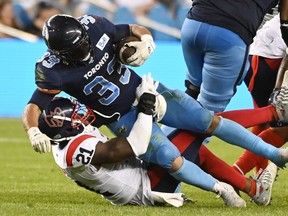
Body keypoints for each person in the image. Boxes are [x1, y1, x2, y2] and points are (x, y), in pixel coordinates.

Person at [22, 14, 288, 207]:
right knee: (171, 157)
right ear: (58, 53)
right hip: (122, 118)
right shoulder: (51, 69)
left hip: (146, 90)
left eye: (82, 43)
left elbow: (132, 29)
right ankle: (223, 190)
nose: (83, 50)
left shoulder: (95, 26)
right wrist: (33, 130)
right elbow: (34, 105)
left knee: (208, 121)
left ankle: (274, 155)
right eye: (75, 49)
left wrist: (145, 40)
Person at [39, 96, 277, 207]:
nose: (81, 116)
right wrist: (145, 111)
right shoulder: (78, 149)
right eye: (75, 116)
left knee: (197, 152)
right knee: (202, 125)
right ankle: (274, 113)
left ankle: (254, 190)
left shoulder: (65, 143)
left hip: (142, 183)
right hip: (149, 187)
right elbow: (135, 146)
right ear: (65, 126)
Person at [181, 0, 288, 112]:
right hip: (233, 34)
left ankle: (166, 128)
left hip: (194, 22)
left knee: (191, 92)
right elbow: (285, 24)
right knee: (209, 114)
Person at [232, 13, 288, 175]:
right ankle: (235, 175)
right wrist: (279, 88)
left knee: (266, 121)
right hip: (264, 62)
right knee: (281, 126)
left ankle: (257, 176)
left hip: (261, 56)